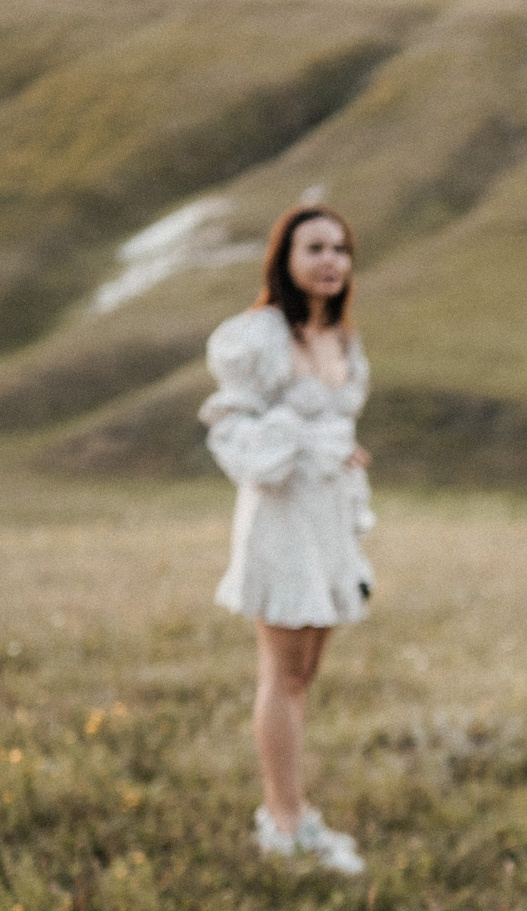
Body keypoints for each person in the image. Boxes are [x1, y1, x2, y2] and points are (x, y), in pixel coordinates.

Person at [200, 203, 377, 876]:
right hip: (281, 521)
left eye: (341, 248)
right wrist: (301, 446)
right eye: (315, 248)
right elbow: (233, 429)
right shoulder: (258, 337)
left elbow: (327, 423)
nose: (330, 260)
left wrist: (341, 450)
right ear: (287, 259)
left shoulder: (341, 339)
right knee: (282, 674)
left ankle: (293, 811)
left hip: (329, 519)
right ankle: (283, 819)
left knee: (305, 674)